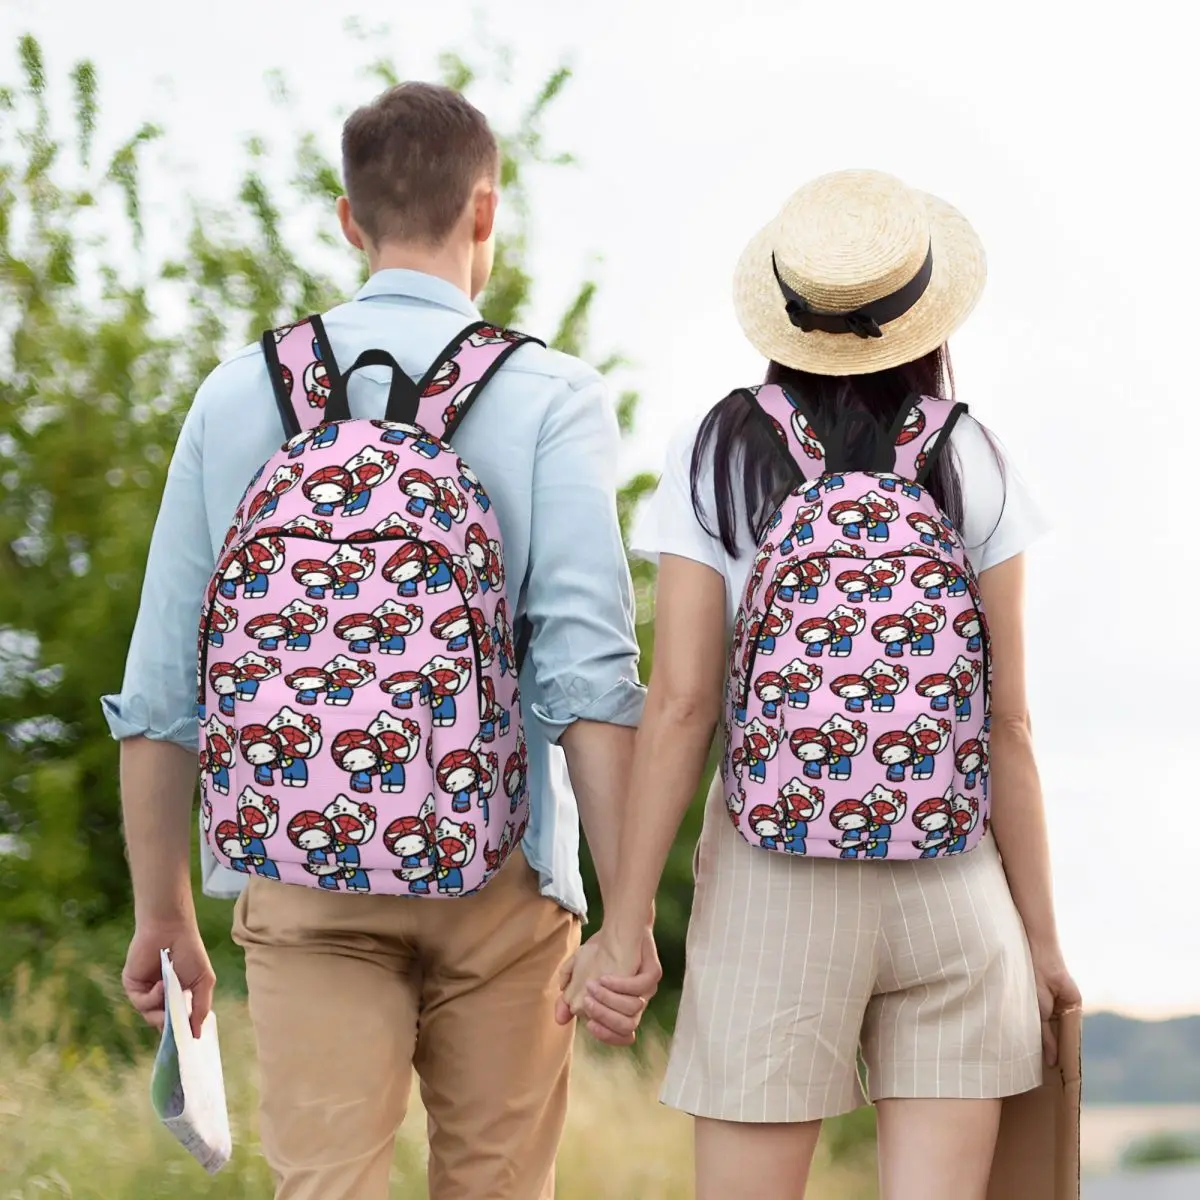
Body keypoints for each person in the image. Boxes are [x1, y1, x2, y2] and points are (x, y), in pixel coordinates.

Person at [105, 81, 661, 1200]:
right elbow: (588, 679)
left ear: (349, 220)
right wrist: (628, 915)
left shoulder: (237, 394)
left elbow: (164, 684)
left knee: (325, 1186)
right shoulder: (551, 394)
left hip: (301, 875)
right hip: (504, 877)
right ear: (486, 213)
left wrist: (163, 911)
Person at [559, 169, 1081, 1200]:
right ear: (925, 315)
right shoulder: (972, 455)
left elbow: (681, 706)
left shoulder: (718, 452)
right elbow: (1009, 723)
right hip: (954, 884)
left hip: (772, 884)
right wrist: (1043, 943)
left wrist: (624, 928)